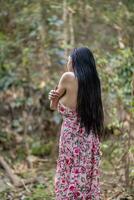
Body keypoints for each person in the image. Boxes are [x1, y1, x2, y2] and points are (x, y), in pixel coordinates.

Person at [48, 47, 104, 200]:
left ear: (74, 61)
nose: (68, 61)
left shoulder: (67, 77)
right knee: (85, 174)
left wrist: (53, 98)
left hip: (70, 137)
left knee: (68, 171)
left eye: (69, 58)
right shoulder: (94, 83)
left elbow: (53, 107)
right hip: (89, 137)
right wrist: (54, 98)